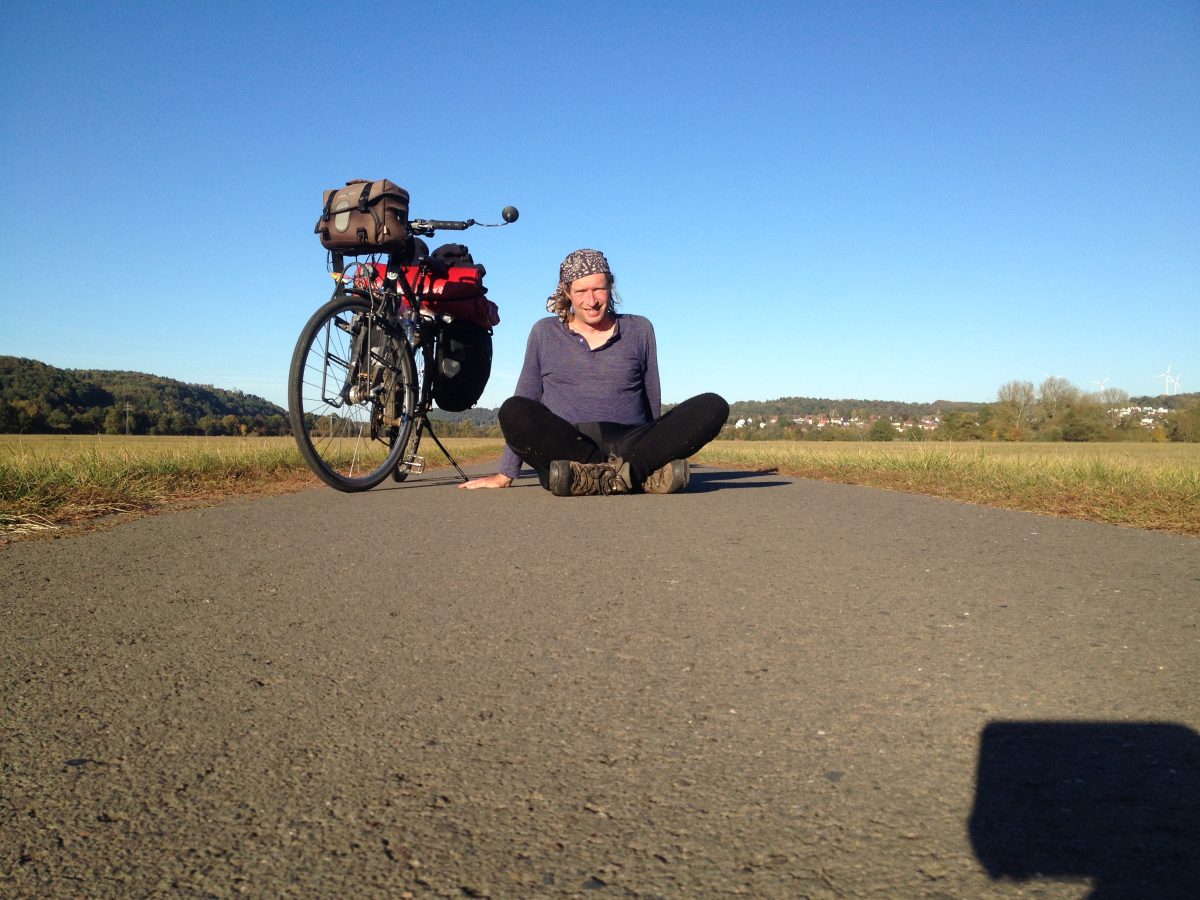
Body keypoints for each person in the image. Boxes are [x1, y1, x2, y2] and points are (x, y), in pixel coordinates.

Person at [460, 248, 728, 495]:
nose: (591, 301)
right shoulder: (544, 332)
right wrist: (506, 473)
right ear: (566, 292)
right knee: (513, 410)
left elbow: (651, 397)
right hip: (568, 445)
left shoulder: (640, 329)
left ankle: (596, 477)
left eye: (599, 289)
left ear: (610, 286)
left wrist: (656, 449)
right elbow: (527, 394)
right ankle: (632, 476)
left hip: (630, 442)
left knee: (713, 406)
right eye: (581, 291)